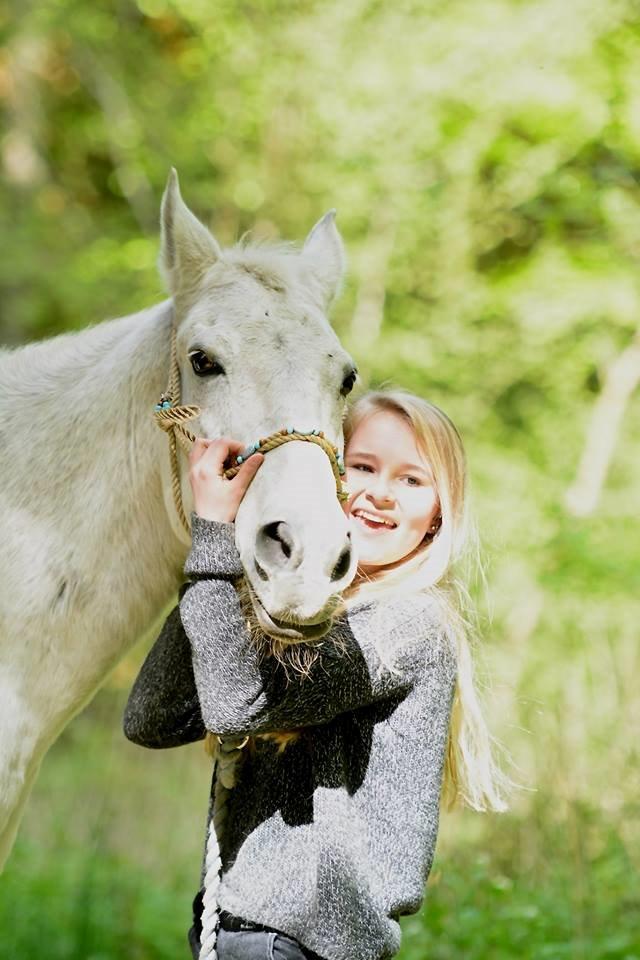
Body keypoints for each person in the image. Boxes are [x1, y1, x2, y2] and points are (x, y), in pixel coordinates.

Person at [124, 388, 509, 960]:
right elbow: (153, 718)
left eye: (412, 480)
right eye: (363, 466)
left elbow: (234, 705)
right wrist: (238, 545)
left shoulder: (407, 624)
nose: (380, 492)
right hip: (242, 932)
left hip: (296, 944)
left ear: (437, 514)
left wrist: (213, 536)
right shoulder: (314, 616)